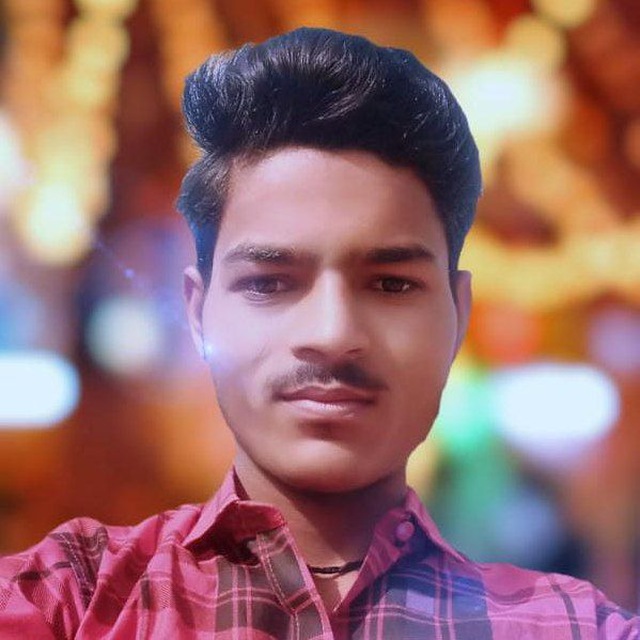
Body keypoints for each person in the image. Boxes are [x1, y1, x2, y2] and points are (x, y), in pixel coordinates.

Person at [1, 27, 637, 639]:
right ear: (198, 313)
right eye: (270, 283)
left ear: (458, 315)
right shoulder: (68, 603)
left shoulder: (573, 628)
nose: (333, 335)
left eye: (390, 284)